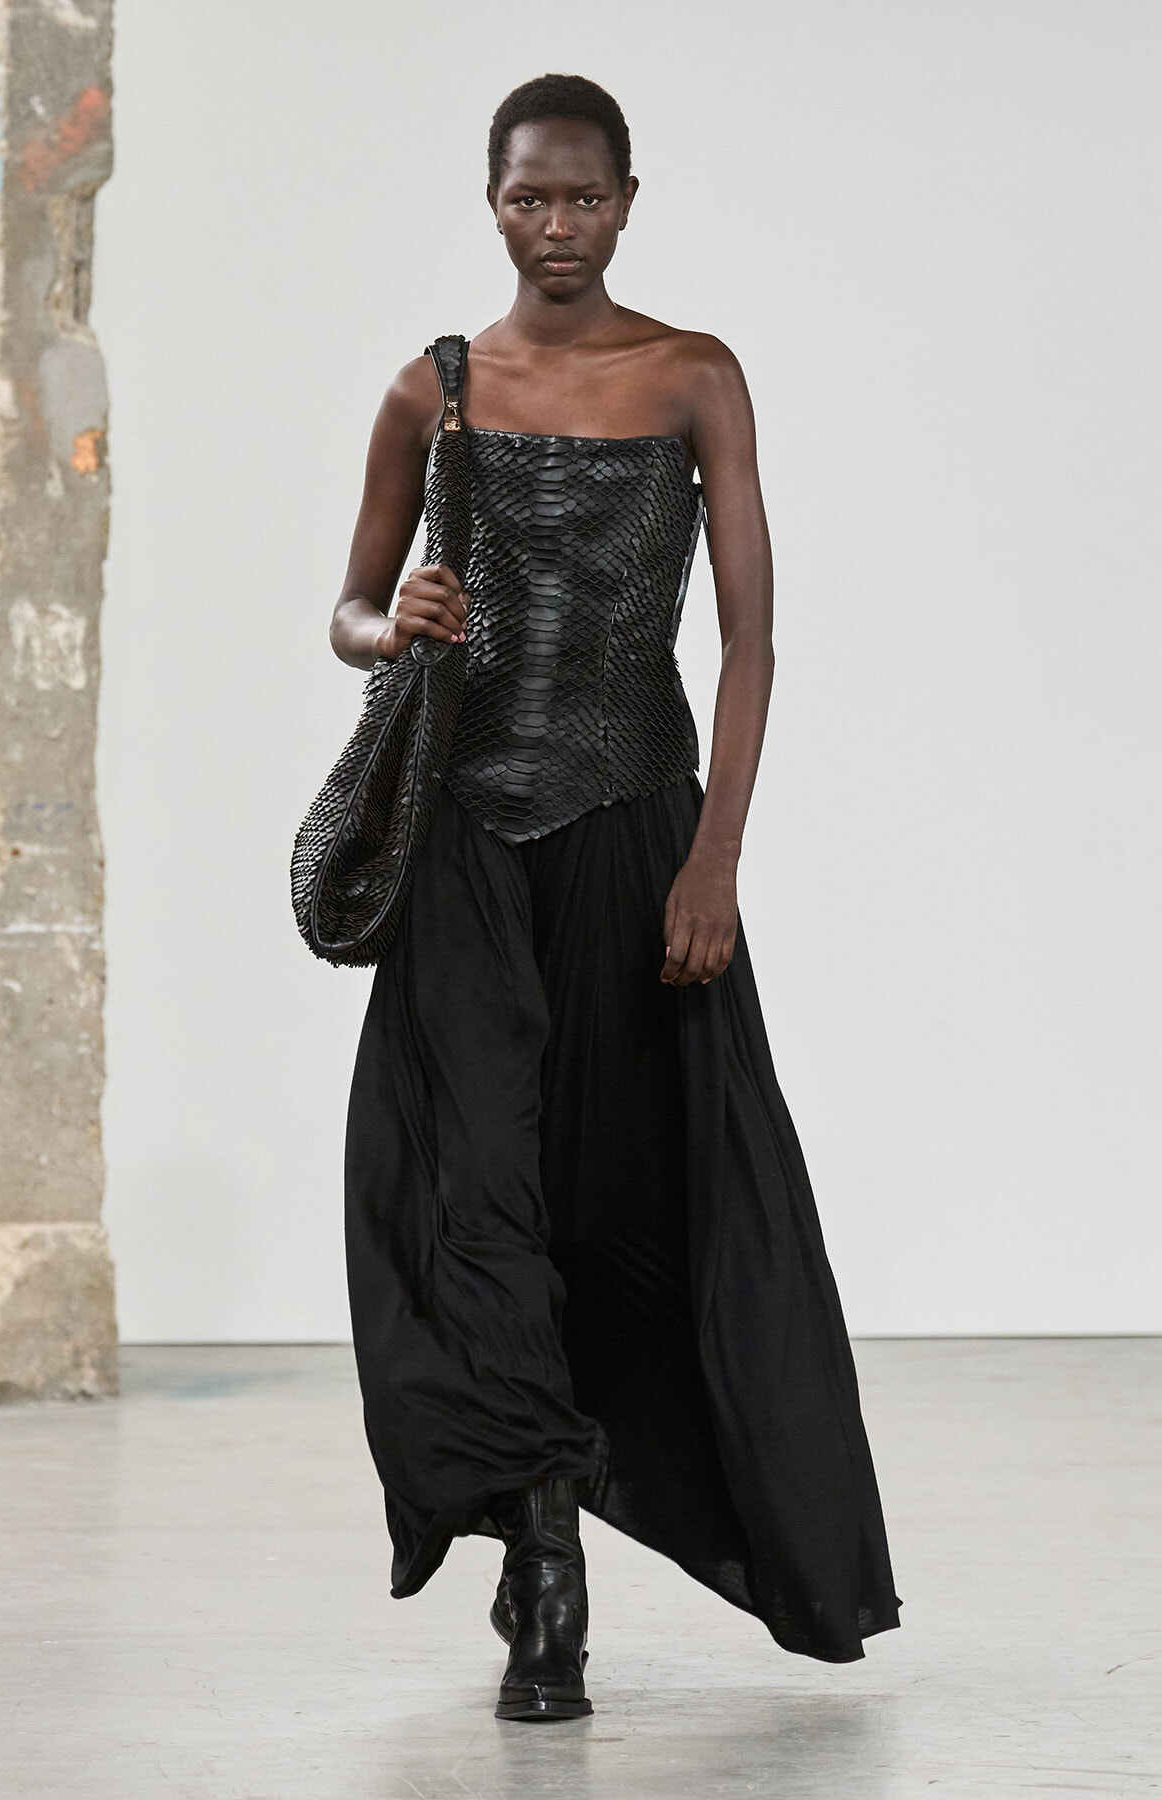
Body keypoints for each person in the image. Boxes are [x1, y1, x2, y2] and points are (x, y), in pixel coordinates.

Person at [328, 72, 901, 1724]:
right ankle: (539, 1562)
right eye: (527, 198)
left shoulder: (693, 376)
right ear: (489, 200)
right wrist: (397, 623)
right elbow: (350, 606)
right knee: (469, 1195)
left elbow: (752, 638)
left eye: (582, 198)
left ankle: (603, 1508)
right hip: (465, 847)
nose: (555, 226)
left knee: (650, 1196)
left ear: (629, 199)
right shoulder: (432, 390)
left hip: (637, 837)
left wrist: (715, 854)